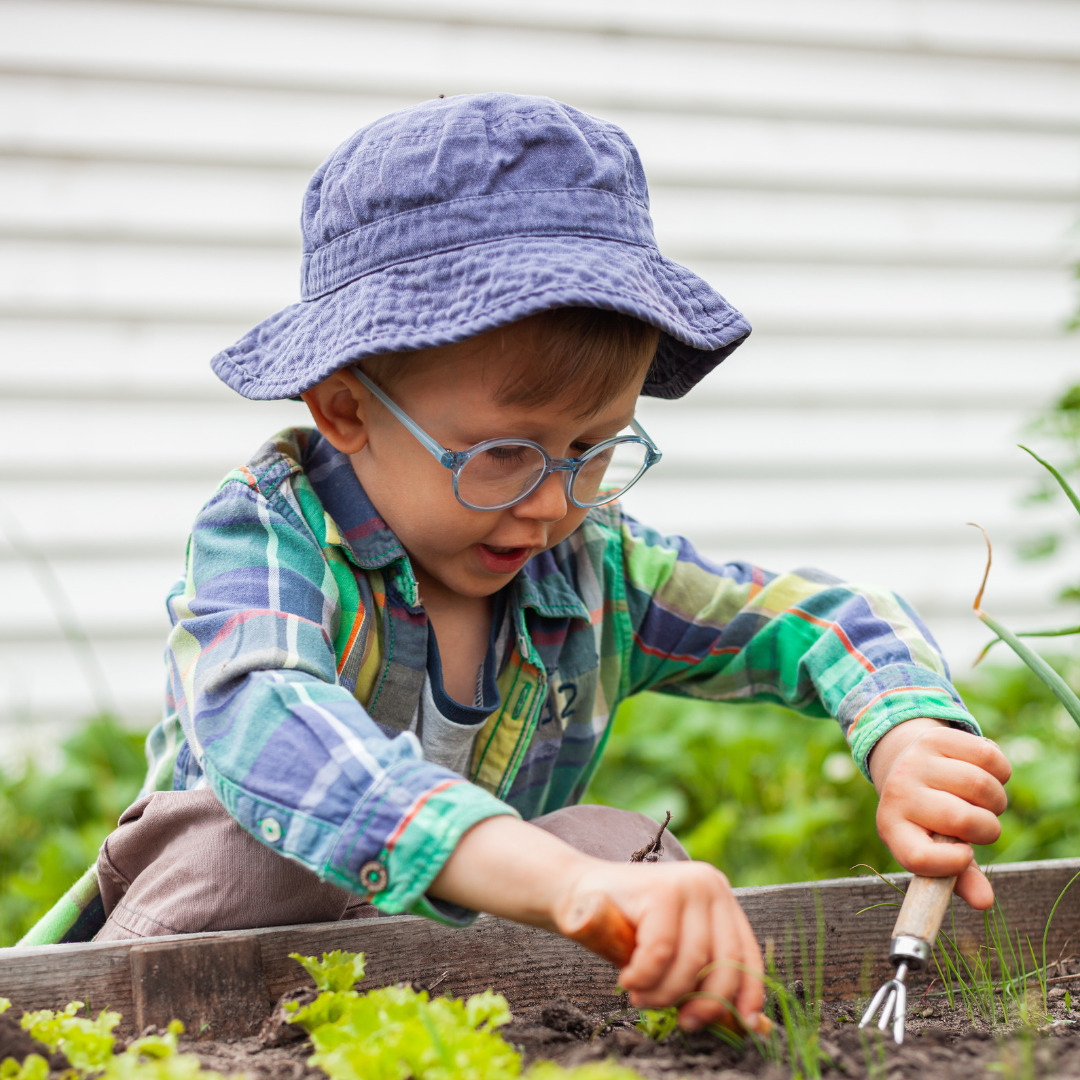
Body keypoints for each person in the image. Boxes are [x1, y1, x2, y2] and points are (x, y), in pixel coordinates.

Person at [26, 94, 1010, 1035]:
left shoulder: (592, 568)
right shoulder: (268, 537)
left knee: (643, 864)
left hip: (479, 962)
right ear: (346, 409)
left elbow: (819, 621)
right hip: (226, 955)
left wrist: (909, 735)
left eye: (594, 451)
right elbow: (273, 730)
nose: (551, 504)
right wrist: (563, 886)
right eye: (503, 454)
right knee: (245, 854)